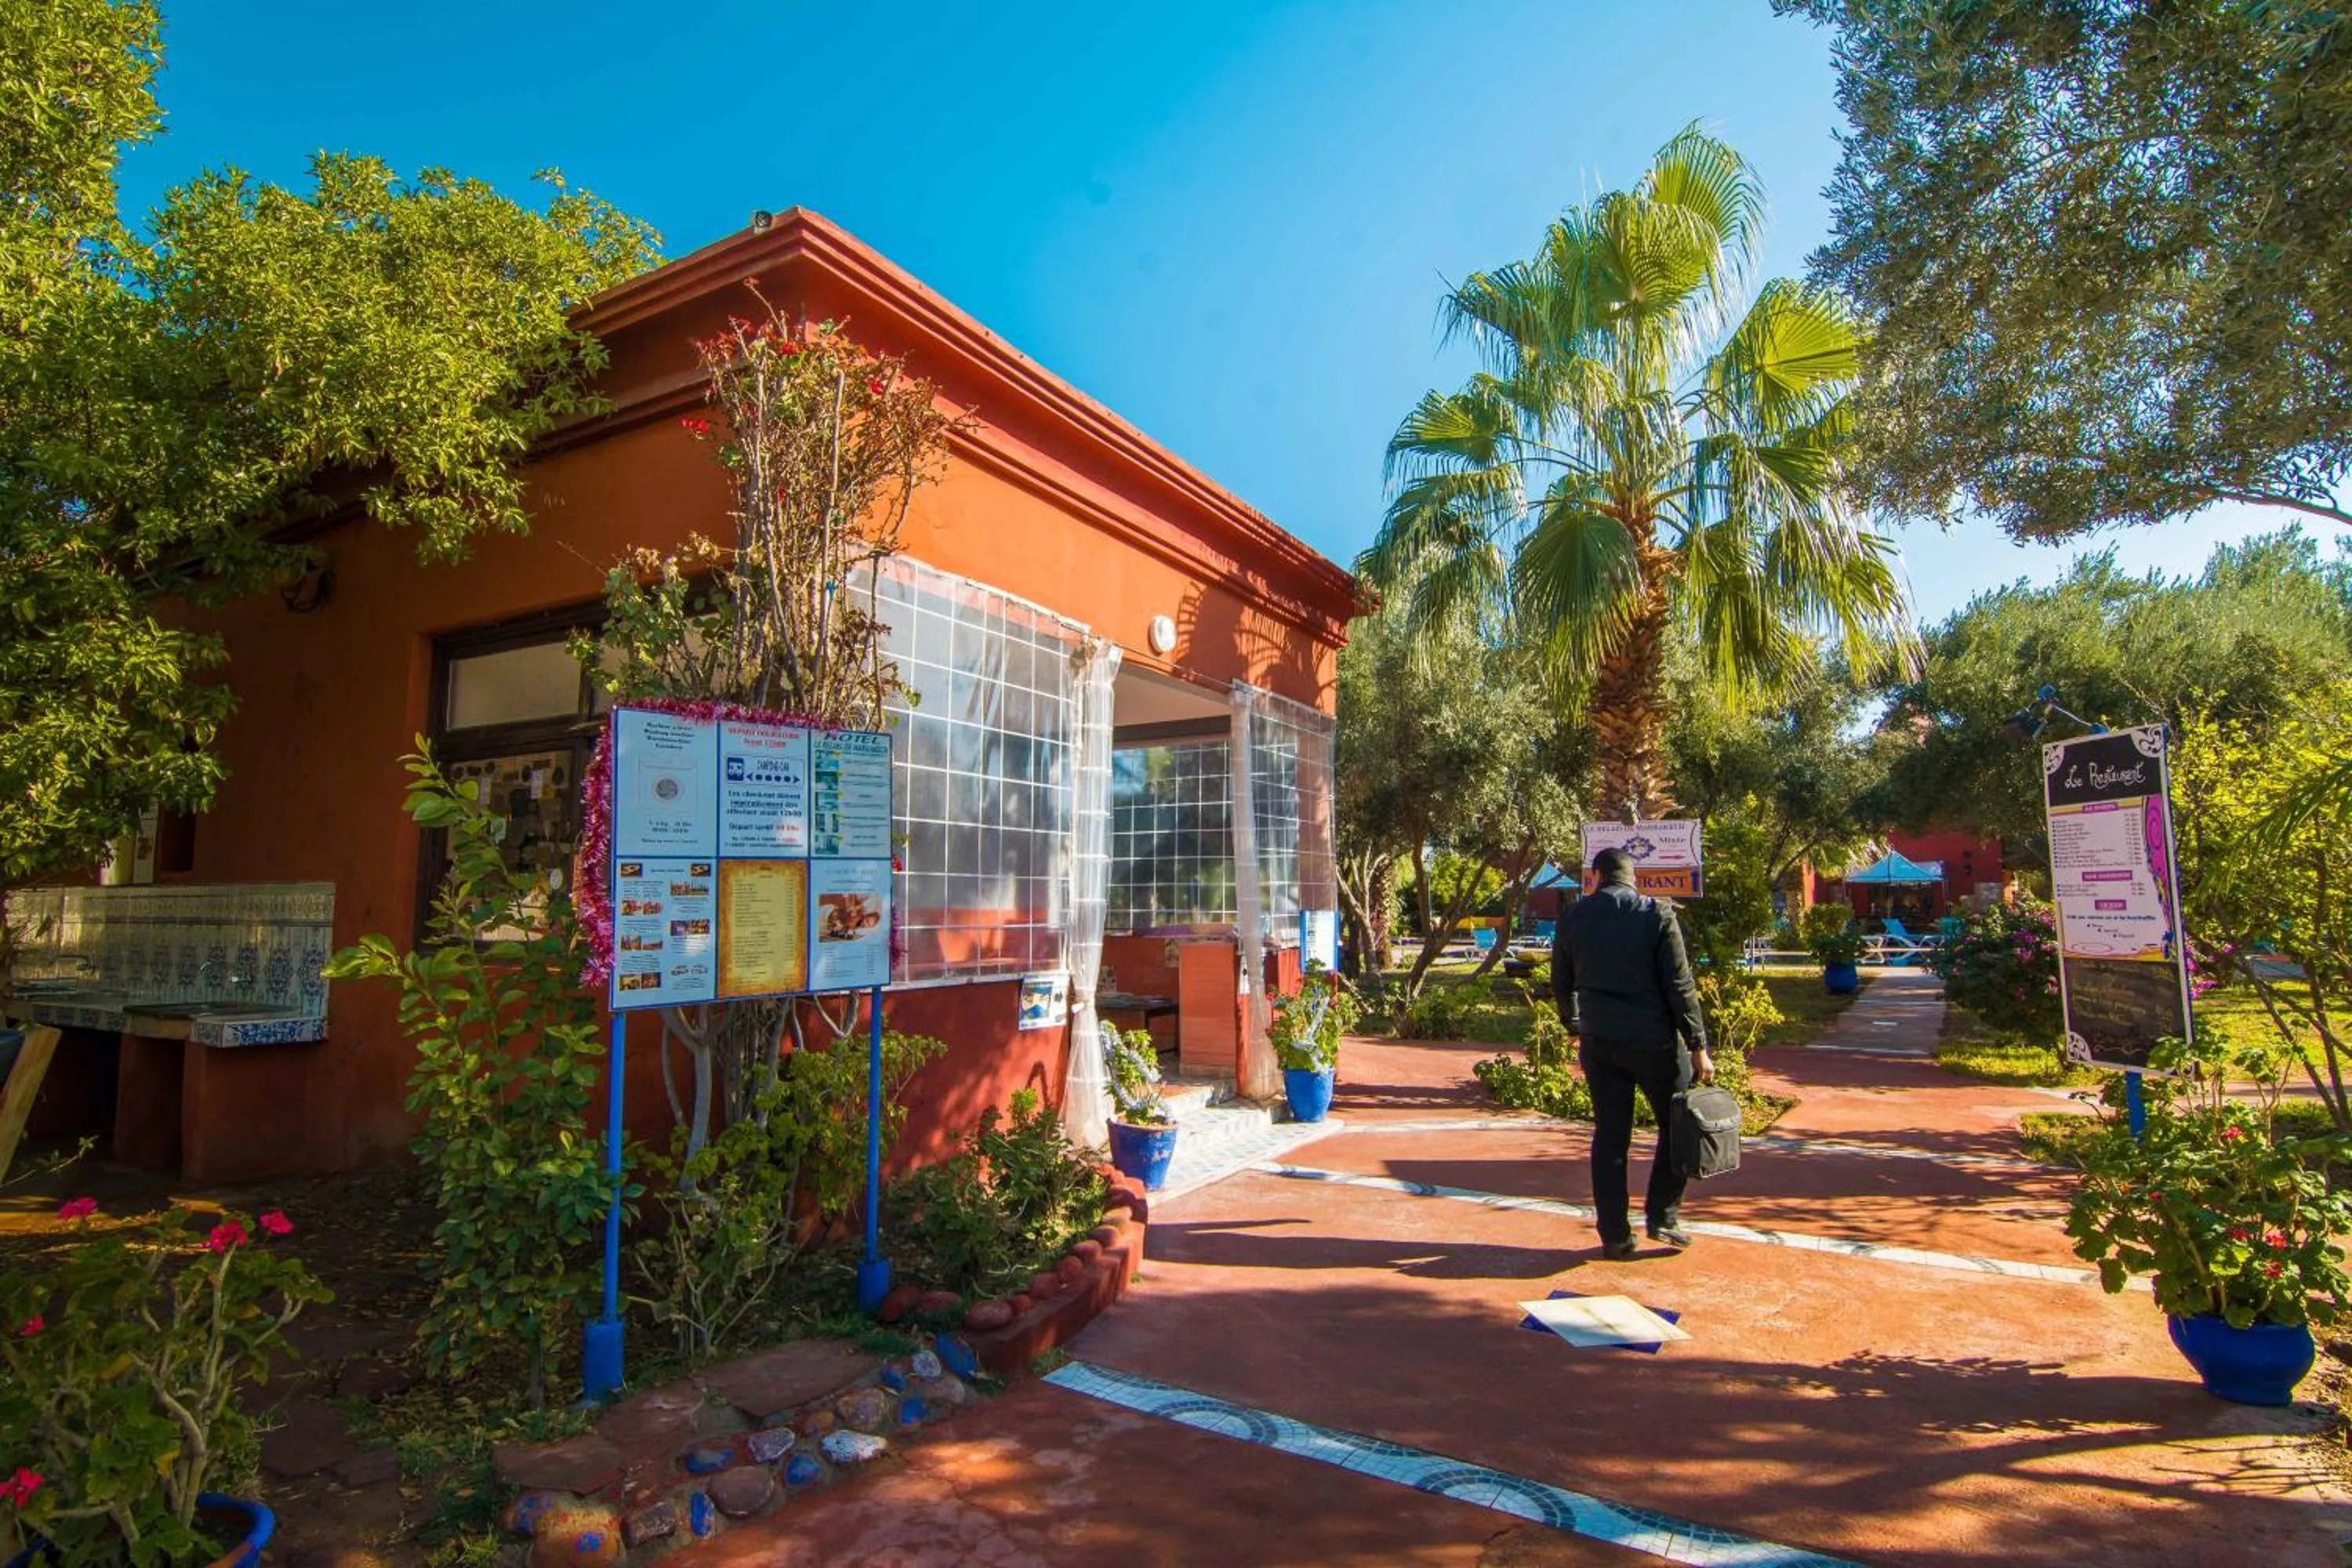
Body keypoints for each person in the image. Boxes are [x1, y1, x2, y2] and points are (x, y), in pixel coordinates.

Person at [1552, 847, 1713, 1259]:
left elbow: (1560, 981)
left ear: (1597, 877)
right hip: (1654, 1041)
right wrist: (1697, 1046)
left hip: (1600, 1043)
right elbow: (1680, 986)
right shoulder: (1655, 914)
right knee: (1677, 1127)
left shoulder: (1572, 917)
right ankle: (1663, 1216)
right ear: (1631, 876)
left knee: (1610, 1137)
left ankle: (1615, 1236)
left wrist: (1572, 1025)